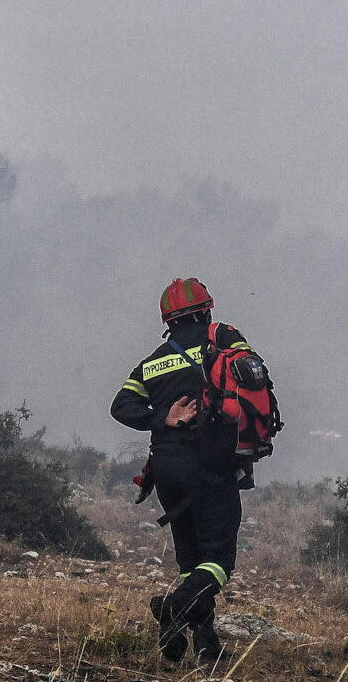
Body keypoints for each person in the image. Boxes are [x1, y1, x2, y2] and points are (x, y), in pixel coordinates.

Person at [111, 277, 260, 663]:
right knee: (218, 560)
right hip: (209, 464)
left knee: (191, 562)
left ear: (168, 320)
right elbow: (251, 375)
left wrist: (163, 416)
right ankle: (173, 608)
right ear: (206, 309)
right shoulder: (221, 338)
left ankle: (207, 644)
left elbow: (121, 406)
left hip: (167, 471)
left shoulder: (153, 361)